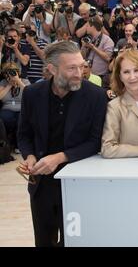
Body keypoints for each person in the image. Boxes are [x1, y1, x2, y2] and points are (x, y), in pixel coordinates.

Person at [17, 41, 108, 247]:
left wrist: (60, 157)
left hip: (77, 184)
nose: (79, 73)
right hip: (41, 183)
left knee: (74, 242)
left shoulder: (96, 96)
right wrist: (30, 157)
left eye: (82, 66)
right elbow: (24, 135)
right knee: (43, 241)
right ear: (52, 69)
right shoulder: (32, 94)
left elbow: (95, 142)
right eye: (71, 68)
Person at [101, 49, 138, 158]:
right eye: (126, 72)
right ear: (120, 76)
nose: (132, 77)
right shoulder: (115, 106)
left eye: (137, 70)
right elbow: (107, 148)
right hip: (131, 169)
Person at [0, 62, 30, 149]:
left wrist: (18, 81)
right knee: (5, 118)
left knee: (21, 119)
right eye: (8, 73)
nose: (11, 75)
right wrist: (9, 85)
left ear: (18, 72)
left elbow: (30, 94)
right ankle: (8, 143)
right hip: (7, 109)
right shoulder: (3, 82)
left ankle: (18, 145)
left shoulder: (25, 81)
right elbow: (0, 97)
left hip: (22, 109)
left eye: (13, 72)